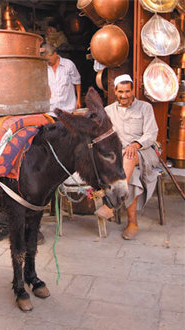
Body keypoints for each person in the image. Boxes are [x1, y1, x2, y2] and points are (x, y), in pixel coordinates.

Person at [96, 74, 159, 240]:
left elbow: (151, 133)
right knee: (132, 174)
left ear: (133, 91)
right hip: (121, 155)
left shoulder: (145, 108)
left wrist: (135, 145)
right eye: (121, 91)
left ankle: (111, 203)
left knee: (130, 156)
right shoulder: (108, 111)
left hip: (145, 151)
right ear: (115, 91)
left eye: (127, 91)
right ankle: (133, 223)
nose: (124, 95)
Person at [40, 43, 81, 118]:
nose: (48, 62)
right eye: (46, 60)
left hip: (68, 109)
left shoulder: (68, 64)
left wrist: (78, 99)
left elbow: (77, 81)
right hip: (51, 111)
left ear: (55, 54)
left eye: (49, 59)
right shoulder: (43, 67)